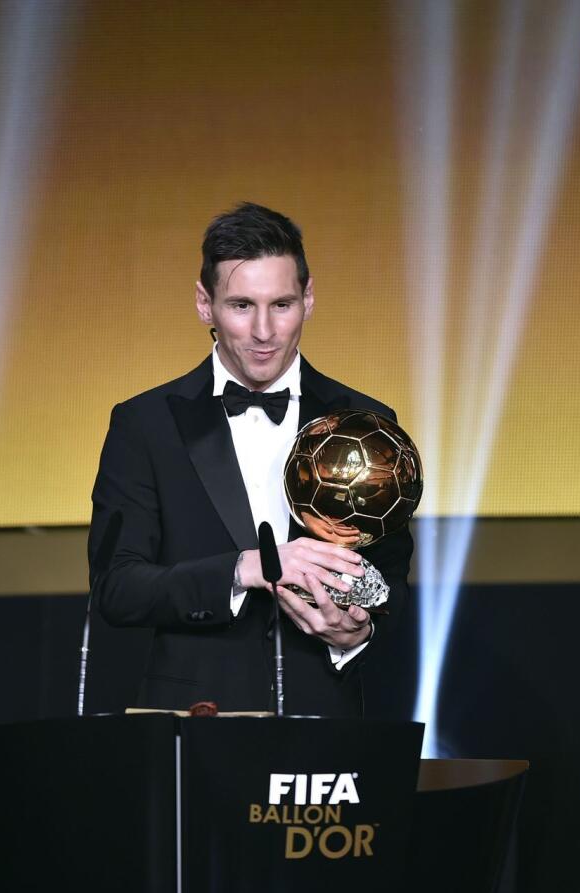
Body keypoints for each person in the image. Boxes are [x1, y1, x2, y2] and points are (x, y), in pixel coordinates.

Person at [87, 202, 413, 716]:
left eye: (281, 304)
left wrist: (356, 630)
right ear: (204, 303)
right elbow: (118, 587)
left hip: (324, 721)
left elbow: (391, 583)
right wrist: (245, 569)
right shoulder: (145, 425)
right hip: (194, 725)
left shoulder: (366, 421)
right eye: (241, 305)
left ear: (308, 298)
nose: (264, 331)